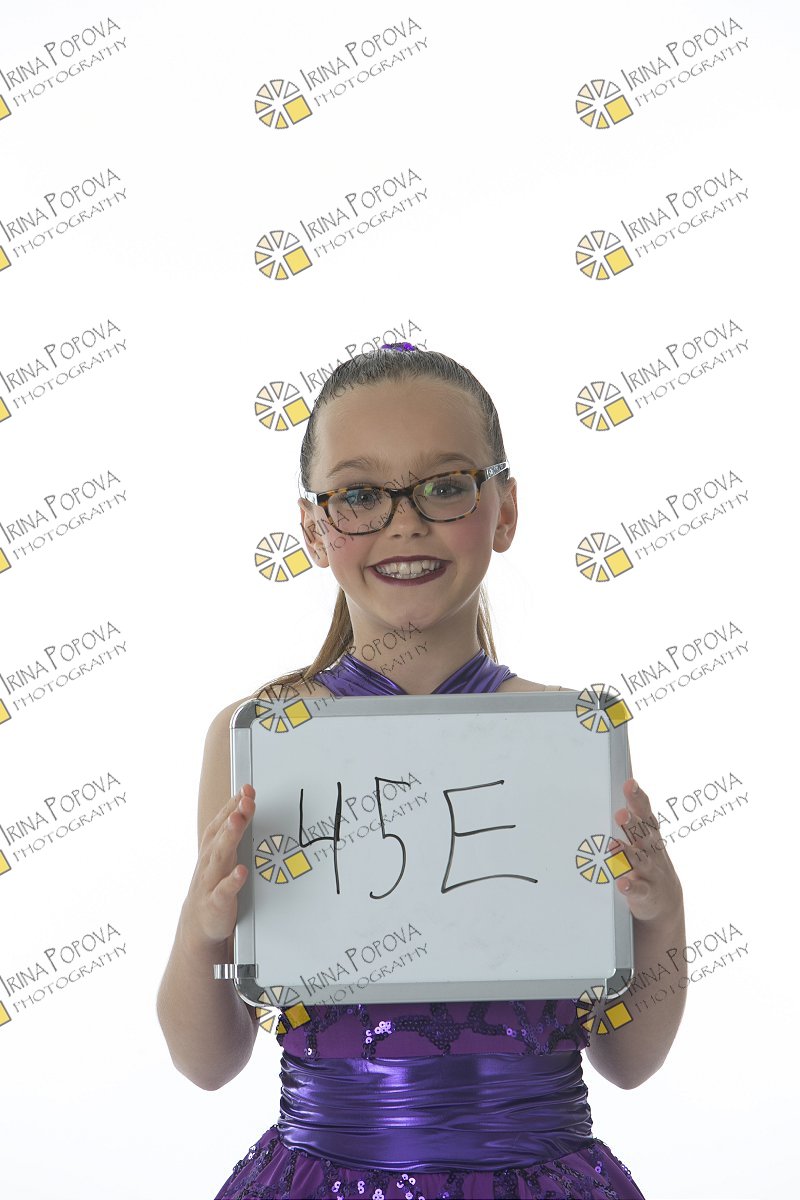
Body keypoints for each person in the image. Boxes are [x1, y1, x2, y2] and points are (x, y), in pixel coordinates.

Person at [157, 343, 686, 1199]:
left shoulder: (569, 736)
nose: (404, 523)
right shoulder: (262, 738)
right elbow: (207, 1060)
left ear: (504, 510)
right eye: (361, 495)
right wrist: (202, 932)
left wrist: (662, 915)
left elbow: (630, 1060)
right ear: (313, 528)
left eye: (445, 486)